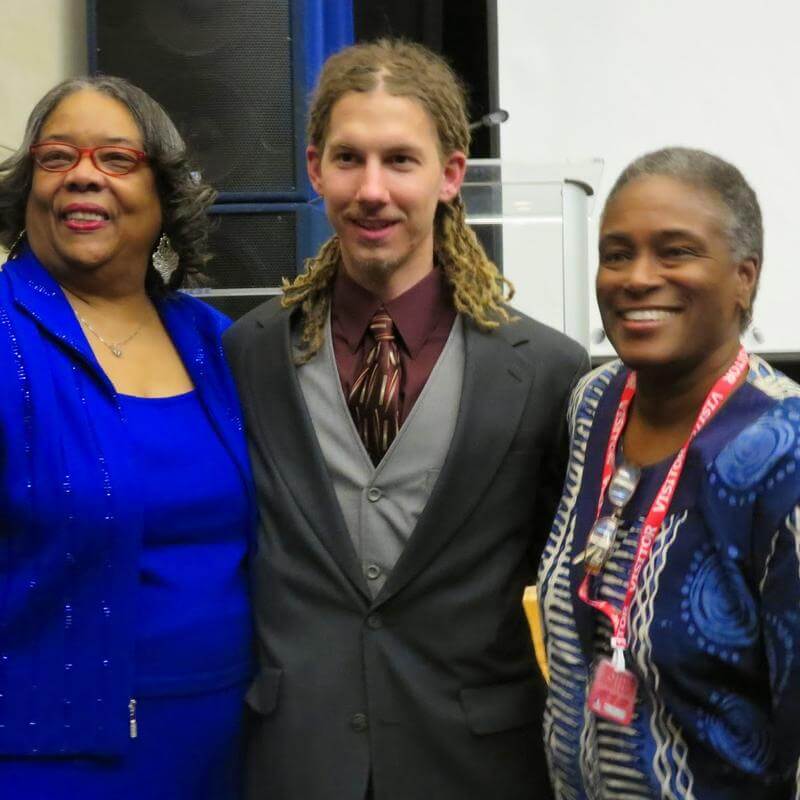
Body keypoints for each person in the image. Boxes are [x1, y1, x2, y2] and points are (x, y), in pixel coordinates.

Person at [224, 39, 589, 800]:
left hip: (479, 765)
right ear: (314, 166)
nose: (372, 189)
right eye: (349, 159)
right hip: (296, 762)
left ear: (450, 174)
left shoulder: (547, 370)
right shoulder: (248, 353)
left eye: (400, 160)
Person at [0, 76, 254, 800]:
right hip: (47, 760)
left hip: (226, 744)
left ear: (165, 196)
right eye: (56, 158)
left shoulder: (216, 344)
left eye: (115, 158)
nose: (83, 174)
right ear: (27, 192)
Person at [538, 147, 800, 798]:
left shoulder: (784, 453)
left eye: (675, 251)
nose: (636, 277)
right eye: (617, 253)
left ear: (745, 277)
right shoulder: (593, 404)